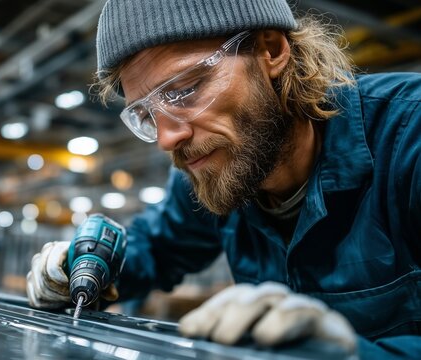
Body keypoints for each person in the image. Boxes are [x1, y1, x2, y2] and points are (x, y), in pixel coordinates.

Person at [26, 0, 421, 358]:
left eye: (184, 91)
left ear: (271, 49)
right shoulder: (217, 165)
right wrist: (83, 269)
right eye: (146, 115)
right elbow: (158, 245)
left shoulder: (409, 139)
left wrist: (353, 355)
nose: (167, 138)